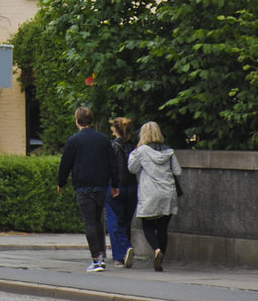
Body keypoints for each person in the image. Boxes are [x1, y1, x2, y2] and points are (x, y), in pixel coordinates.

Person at [57, 106, 118, 272]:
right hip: (101, 185)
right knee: (98, 220)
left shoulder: (74, 140)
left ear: (77, 121)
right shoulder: (103, 139)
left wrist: (61, 183)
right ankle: (102, 255)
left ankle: (96, 259)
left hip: (83, 185)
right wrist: (115, 184)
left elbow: (65, 164)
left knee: (89, 222)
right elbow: (112, 163)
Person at [128, 120, 181, 272]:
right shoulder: (168, 151)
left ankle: (156, 249)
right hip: (168, 193)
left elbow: (132, 168)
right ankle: (161, 260)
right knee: (163, 227)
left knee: (147, 224)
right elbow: (177, 171)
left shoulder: (142, 151)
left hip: (150, 192)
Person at [106, 117, 138, 268]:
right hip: (132, 187)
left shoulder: (113, 147)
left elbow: (113, 168)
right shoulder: (134, 146)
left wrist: (113, 185)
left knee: (114, 221)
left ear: (115, 130)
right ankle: (127, 249)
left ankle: (121, 254)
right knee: (126, 221)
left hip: (116, 186)